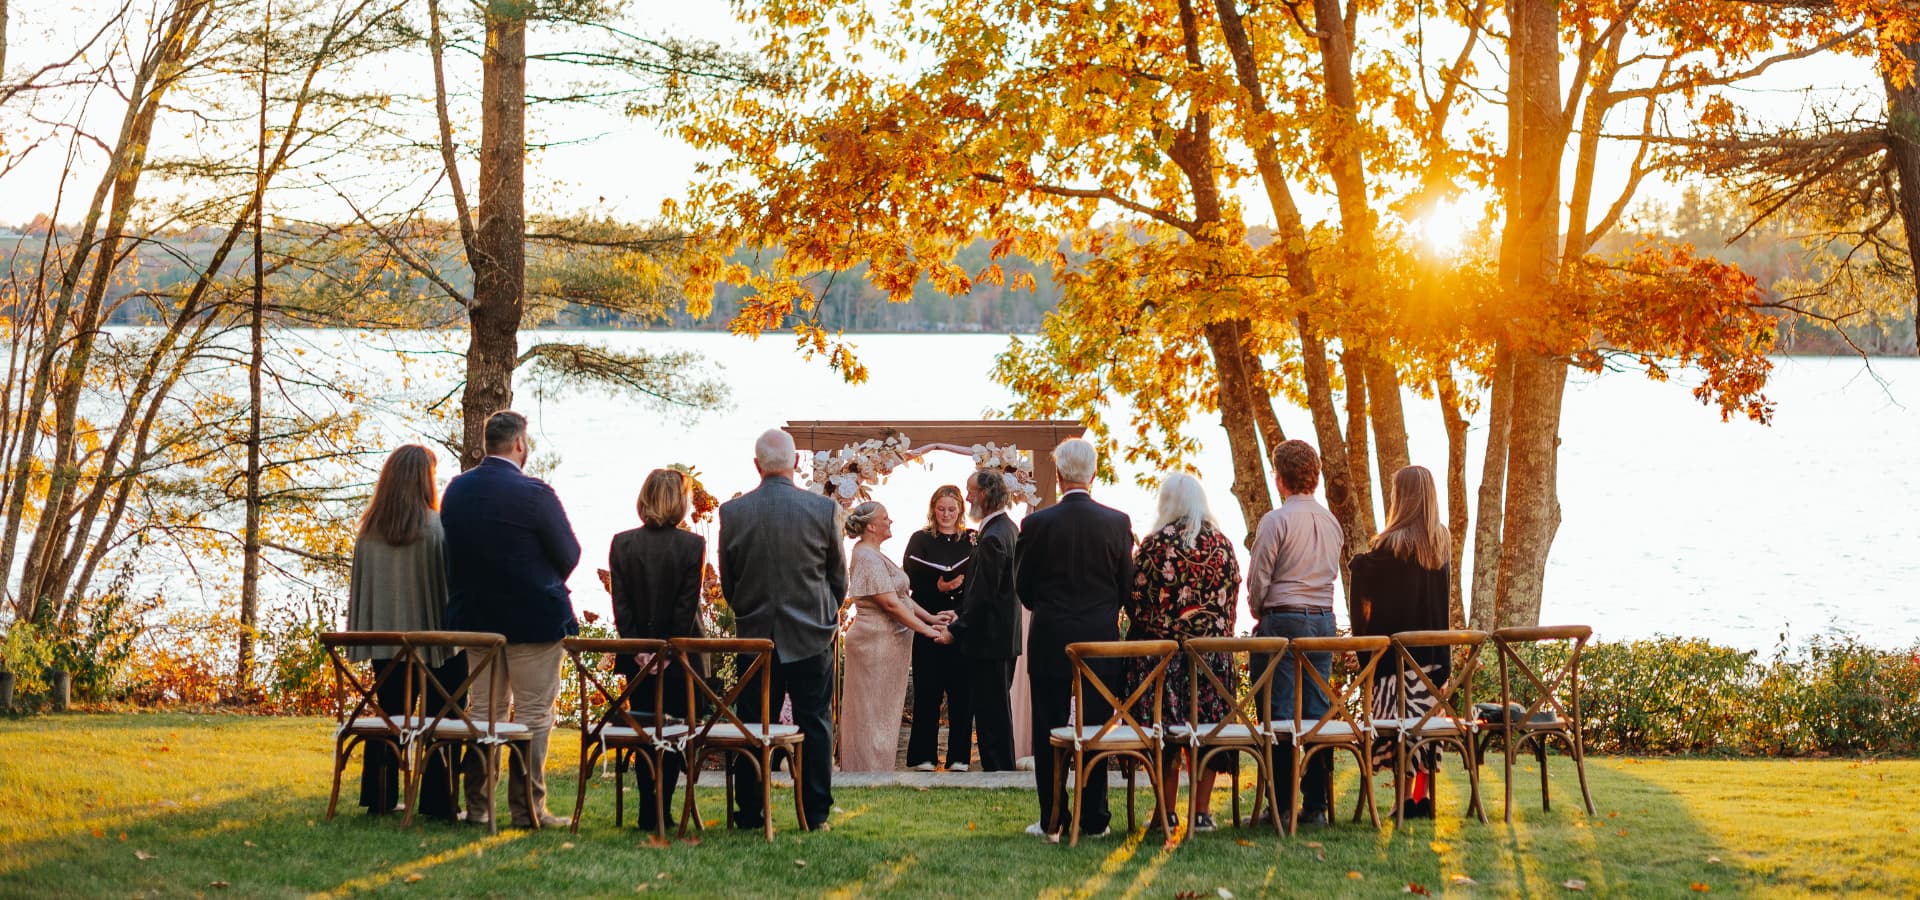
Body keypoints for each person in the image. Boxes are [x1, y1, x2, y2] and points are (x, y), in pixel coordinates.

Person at [442, 411, 581, 829]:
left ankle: (480, 807)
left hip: (476, 619)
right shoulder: (536, 494)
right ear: (519, 444)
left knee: (484, 709)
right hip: (533, 620)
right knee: (534, 714)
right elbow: (569, 554)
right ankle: (528, 809)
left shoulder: (457, 490)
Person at [717, 428, 844, 830]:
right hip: (811, 634)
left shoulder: (733, 513)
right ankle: (815, 814)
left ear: (757, 465)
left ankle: (751, 813)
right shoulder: (823, 510)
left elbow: (729, 583)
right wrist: (823, 613)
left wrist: (750, 611)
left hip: (755, 638)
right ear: (796, 463)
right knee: (816, 725)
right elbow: (837, 578)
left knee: (754, 725)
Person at [1015, 438, 1133, 839]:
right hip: (1100, 641)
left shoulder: (1035, 524)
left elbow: (1024, 589)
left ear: (1060, 476)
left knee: (1049, 729)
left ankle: (1052, 819)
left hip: (1050, 638)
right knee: (1096, 729)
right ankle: (1095, 817)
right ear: (1093, 473)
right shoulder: (1117, 523)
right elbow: (1126, 588)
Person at [345, 444, 463, 822]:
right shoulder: (437, 529)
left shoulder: (369, 533)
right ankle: (438, 800)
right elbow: (448, 589)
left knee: (389, 711)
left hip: (386, 647)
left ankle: (379, 796)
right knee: (444, 712)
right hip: (434, 644)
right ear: (424, 480)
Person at [1124, 472, 1241, 833]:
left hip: (1165, 657)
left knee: (1167, 734)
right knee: (1207, 732)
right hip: (1212, 657)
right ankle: (1202, 812)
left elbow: (1137, 600)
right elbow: (1233, 596)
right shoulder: (1222, 544)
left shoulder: (1156, 544)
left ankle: (1166, 812)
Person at [1247, 439, 1346, 828]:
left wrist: (1260, 612)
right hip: (1323, 620)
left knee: (1279, 710)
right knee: (1317, 711)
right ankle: (1317, 803)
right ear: (1315, 477)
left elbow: (1259, 579)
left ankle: (1282, 804)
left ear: (1280, 478)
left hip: (1283, 618)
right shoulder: (1331, 521)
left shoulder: (1276, 521)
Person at [1349, 465, 1453, 820]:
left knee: (1398, 732)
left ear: (1399, 497)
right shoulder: (1441, 541)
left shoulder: (1387, 545)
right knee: (1423, 730)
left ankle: (1402, 800)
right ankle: (1421, 798)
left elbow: (1365, 586)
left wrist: (1356, 564)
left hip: (1396, 663)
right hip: (1433, 662)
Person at [607, 468, 707, 830]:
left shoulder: (622, 543)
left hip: (638, 659)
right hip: (680, 659)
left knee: (645, 730)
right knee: (674, 731)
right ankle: (661, 809)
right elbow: (685, 606)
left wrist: (640, 649)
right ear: (679, 502)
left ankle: (648, 809)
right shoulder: (692, 545)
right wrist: (665, 651)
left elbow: (621, 605)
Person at [839, 502, 955, 771]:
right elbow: (889, 604)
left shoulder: (876, 554)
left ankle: (880, 767)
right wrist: (925, 630)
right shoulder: (866, 556)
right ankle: (867, 769)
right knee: (872, 710)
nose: (890, 521)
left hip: (887, 644)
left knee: (883, 710)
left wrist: (931, 618)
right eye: (885, 517)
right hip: (874, 643)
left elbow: (902, 597)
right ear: (870, 526)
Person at [950, 470, 1022, 772]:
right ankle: (1000, 769)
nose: (967, 498)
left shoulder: (993, 537)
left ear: (986, 494)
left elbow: (983, 594)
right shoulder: (1007, 529)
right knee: (996, 710)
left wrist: (956, 629)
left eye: (971, 492)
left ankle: (999, 771)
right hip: (1002, 637)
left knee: (992, 713)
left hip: (990, 639)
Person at [902, 485, 976, 772]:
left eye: (952, 509)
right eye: (941, 508)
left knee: (961, 694)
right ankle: (923, 756)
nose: (946, 514)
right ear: (933, 509)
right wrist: (938, 586)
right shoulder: (919, 539)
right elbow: (908, 581)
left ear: (960, 510)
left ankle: (959, 757)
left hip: (960, 624)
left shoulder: (971, 540)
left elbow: (979, 583)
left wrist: (957, 612)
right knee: (927, 691)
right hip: (927, 621)